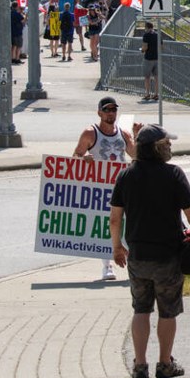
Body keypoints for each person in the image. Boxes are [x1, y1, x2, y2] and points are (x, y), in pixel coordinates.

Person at [109, 123, 190, 378]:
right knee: (167, 311)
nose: (171, 146)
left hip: (138, 255)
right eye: (167, 143)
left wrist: (117, 246)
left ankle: (139, 365)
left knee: (140, 309)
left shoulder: (126, 176)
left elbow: (115, 218)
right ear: (158, 147)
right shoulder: (173, 174)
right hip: (168, 256)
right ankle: (165, 363)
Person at [74, 96, 142, 281]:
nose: (111, 113)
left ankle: (134, 266)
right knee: (105, 225)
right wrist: (85, 157)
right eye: (107, 110)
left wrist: (137, 136)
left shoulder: (123, 134)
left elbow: (135, 155)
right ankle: (107, 266)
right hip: (99, 186)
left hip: (122, 186)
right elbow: (76, 155)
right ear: (99, 113)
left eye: (113, 110)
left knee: (128, 224)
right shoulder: (90, 133)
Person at [142, 21, 159, 100]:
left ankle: (147, 94)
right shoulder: (157, 35)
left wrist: (142, 50)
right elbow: (162, 47)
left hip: (148, 58)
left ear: (147, 27)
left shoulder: (146, 35)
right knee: (156, 77)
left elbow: (145, 47)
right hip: (157, 58)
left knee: (147, 77)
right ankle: (156, 94)